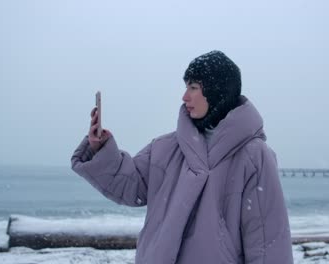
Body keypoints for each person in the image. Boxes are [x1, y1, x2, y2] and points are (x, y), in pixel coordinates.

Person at [71, 50, 293, 264]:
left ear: (217, 91)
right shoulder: (166, 147)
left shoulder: (254, 156)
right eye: (186, 87)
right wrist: (99, 149)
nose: (184, 96)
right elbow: (131, 186)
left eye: (193, 87)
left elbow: (267, 242)